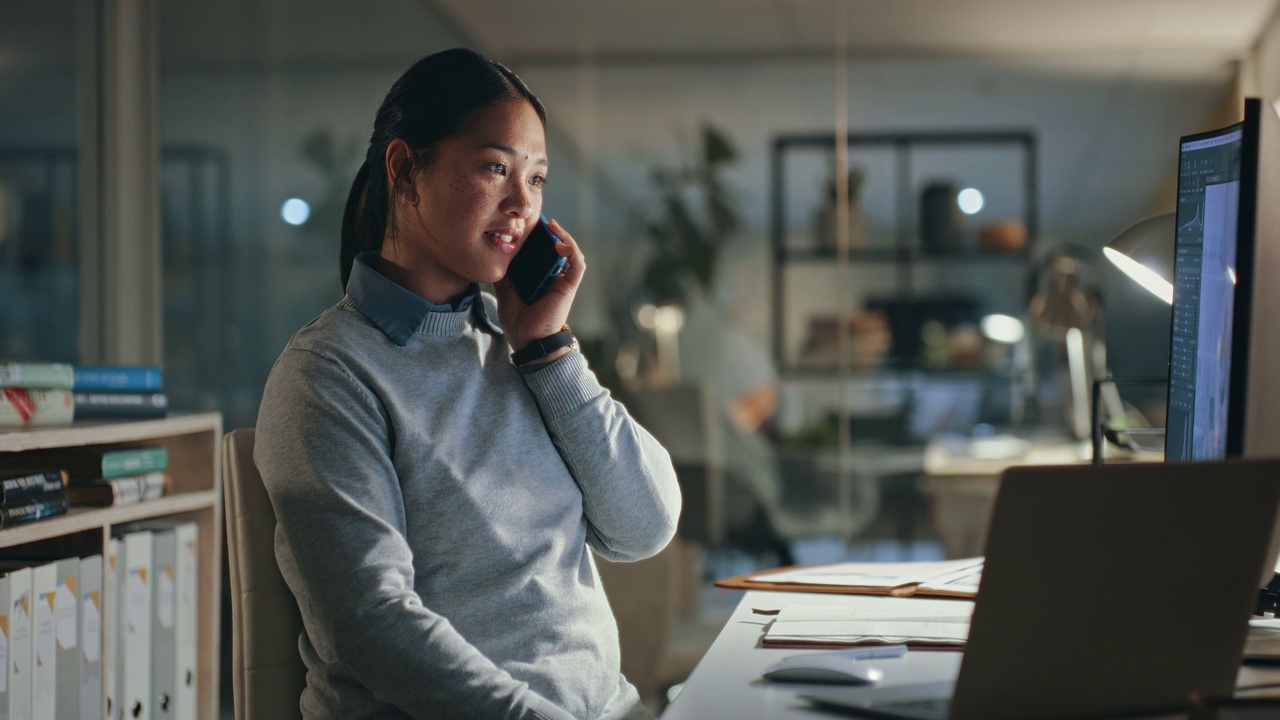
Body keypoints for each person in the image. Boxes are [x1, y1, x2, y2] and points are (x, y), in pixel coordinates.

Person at [254, 48, 682, 720]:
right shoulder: (326, 374)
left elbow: (645, 526)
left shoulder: (519, 346)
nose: (523, 205)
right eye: (495, 168)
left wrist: (549, 352)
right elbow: (374, 626)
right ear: (404, 169)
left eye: (537, 180)